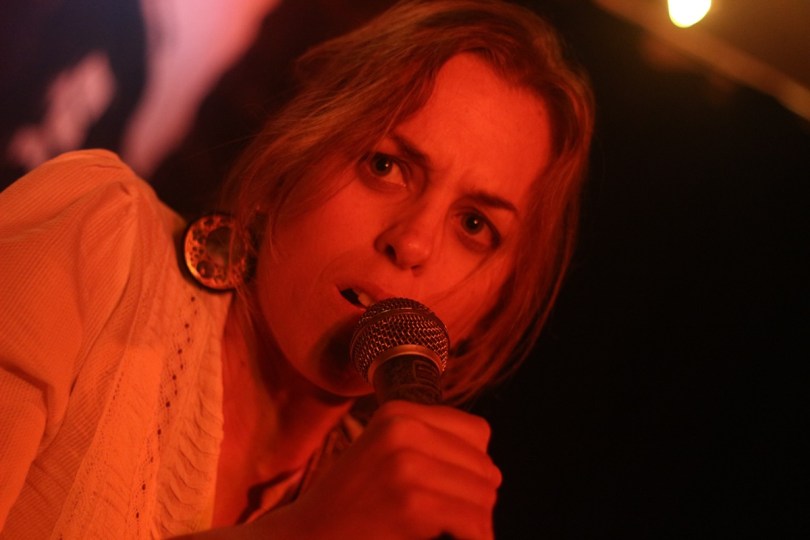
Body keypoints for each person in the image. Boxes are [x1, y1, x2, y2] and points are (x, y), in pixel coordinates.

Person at [0, 0, 594, 538]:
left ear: (491, 309)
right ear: (291, 160)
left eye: (474, 225)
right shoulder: (100, 242)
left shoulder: (390, 512)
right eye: (386, 166)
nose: (413, 242)